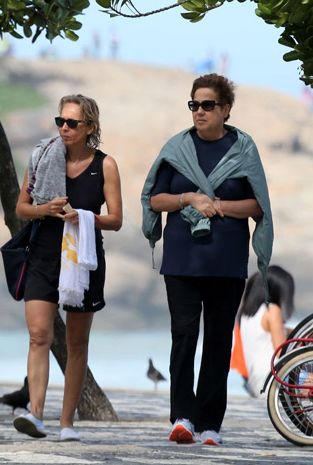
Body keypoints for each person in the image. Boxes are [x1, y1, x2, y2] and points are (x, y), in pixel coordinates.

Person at [141, 73, 273, 446]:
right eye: (194, 105)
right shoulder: (177, 148)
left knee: (218, 341)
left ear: (225, 109)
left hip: (227, 259)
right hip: (182, 259)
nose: (199, 111)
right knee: (183, 335)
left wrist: (219, 205)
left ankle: (210, 424)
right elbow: (155, 198)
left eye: (207, 105)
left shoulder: (244, 149)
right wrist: (189, 199)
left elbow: (258, 205)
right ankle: (182, 417)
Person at [14, 94, 122, 441]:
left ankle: (67, 423)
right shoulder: (42, 156)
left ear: (89, 127)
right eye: (60, 121)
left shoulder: (105, 165)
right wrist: (44, 210)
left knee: (77, 344)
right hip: (43, 255)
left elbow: (116, 219)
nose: (63, 127)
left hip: (83, 258)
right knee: (38, 336)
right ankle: (36, 413)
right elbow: (21, 208)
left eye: (72, 123)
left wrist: (84, 217)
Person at [234, 265, 295, 398]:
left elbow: (269, 333)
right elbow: (281, 351)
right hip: (272, 379)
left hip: (255, 382)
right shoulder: (273, 310)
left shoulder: (246, 313)